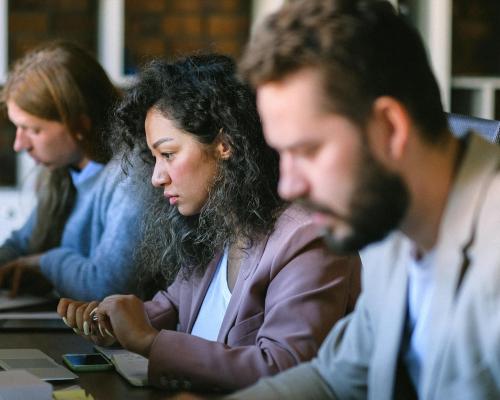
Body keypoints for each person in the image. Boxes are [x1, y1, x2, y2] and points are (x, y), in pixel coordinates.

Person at [207, 0, 499, 399]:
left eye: (307, 151)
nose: (287, 186)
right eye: (282, 154)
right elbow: (334, 378)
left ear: (390, 128)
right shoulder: (392, 227)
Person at [57, 54, 361, 392]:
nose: (157, 177)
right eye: (154, 158)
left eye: (168, 154)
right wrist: (112, 320)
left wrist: (148, 341)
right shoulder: (220, 223)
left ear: (225, 144)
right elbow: (172, 306)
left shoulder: (308, 238)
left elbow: (284, 369)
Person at [0, 41, 145, 300]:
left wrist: (44, 263)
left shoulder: (131, 176)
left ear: (80, 124)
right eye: (17, 128)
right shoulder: (65, 171)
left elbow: (107, 288)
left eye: (33, 130)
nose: (19, 144)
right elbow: (22, 245)